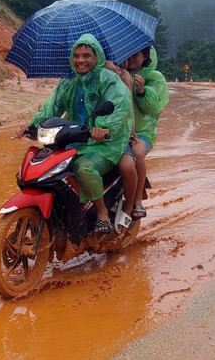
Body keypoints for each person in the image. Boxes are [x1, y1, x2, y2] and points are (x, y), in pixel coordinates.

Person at [19, 34, 132, 236]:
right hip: (72, 138)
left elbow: (119, 105)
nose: (80, 60)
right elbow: (52, 107)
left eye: (86, 55)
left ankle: (102, 213)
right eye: (76, 56)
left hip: (103, 143)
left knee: (83, 167)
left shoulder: (108, 79)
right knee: (46, 168)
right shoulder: (68, 81)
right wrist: (32, 125)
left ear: (96, 57)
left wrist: (104, 127)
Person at [105, 46, 168, 223]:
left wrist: (142, 92)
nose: (131, 57)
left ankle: (137, 201)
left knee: (137, 152)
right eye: (128, 53)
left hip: (141, 131)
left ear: (146, 57)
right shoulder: (116, 72)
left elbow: (155, 106)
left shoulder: (154, 77)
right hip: (117, 129)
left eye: (136, 54)